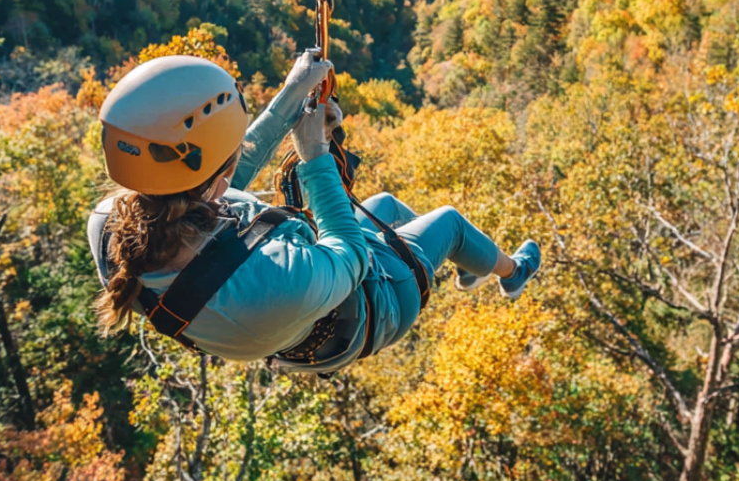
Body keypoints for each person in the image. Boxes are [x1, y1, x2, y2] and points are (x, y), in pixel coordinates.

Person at [87, 50, 540, 374]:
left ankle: (466, 268)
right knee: (449, 223)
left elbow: (229, 171)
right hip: (373, 311)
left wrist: (291, 94)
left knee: (386, 207)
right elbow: (351, 254)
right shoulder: (269, 282)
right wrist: (314, 154)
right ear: (217, 179)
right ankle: (512, 272)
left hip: (303, 321)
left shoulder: (112, 223)